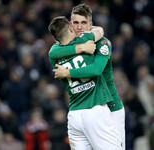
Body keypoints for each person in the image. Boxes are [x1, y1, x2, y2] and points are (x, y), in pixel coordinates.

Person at [51, 4, 125, 149]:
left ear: (91, 25)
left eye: (83, 23)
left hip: (111, 106)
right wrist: (80, 47)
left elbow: (96, 69)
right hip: (89, 108)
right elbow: (52, 52)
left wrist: (68, 72)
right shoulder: (62, 47)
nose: (79, 27)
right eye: (76, 23)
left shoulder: (101, 42)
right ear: (70, 25)